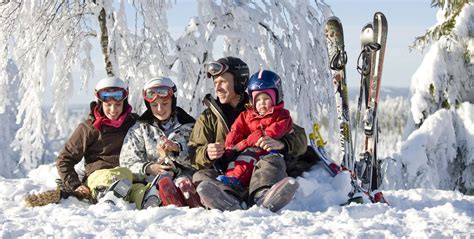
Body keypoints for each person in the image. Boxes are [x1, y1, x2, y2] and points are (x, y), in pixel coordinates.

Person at [189, 56, 308, 212]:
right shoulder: (208, 118)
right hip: (229, 176)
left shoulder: (260, 106)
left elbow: (299, 138)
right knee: (200, 176)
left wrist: (283, 144)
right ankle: (228, 199)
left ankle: (263, 195)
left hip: (259, 171)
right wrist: (206, 153)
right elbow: (193, 154)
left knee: (272, 161)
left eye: (223, 82)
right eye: (215, 83)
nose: (217, 88)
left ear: (239, 82)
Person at [56, 76, 140, 206]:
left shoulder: (134, 123)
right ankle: (106, 196)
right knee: (108, 179)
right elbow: (64, 159)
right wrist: (75, 185)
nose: (113, 110)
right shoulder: (89, 128)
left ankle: (148, 198)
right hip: (99, 176)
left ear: (124, 103)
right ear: (101, 103)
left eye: (118, 104)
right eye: (108, 105)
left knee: (138, 189)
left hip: (130, 176)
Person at [119, 77, 201, 209]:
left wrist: (177, 150)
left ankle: (192, 205)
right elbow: (126, 164)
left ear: (172, 102)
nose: (160, 109)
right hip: (152, 183)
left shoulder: (190, 127)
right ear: (148, 105)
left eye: (164, 103)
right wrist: (149, 168)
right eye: (154, 105)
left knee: (184, 183)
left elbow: (201, 159)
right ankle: (168, 201)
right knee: (163, 183)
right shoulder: (140, 130)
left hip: (185, 178)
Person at [219, 69, 294, 189]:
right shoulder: (247, 115)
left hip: (268, 149)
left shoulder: (281, 115)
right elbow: (236, 129)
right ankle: (229, 182)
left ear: (276, 97)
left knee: (250, 159)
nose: (262, 103)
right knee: (237, 160)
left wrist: (261, 135)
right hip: (250, 148)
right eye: (258, 100)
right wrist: (231, 144)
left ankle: (242, 183)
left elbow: (278, 128)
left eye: (266, 99)